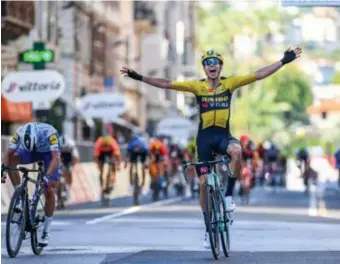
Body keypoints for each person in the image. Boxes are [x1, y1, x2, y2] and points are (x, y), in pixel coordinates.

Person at [120, 47, 302, 248]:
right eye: (207, 63)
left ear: (220, 66)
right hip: (204, 140)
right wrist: (138, 77)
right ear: (204, 69)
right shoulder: (197, 87)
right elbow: (166, 84)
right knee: (205, 183)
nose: (211, 65)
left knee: (237, 151)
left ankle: (229, 194)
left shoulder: (230, 83)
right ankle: (208, 229)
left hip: (223, 136)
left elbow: (259, 74)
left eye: (215, 62)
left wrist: (283, 61)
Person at [2, 122, 61, 247]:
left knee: (49, 188)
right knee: (11, 162)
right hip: (27, 150)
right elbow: (7, 154)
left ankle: (46, 230)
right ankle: (19, 197)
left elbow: (56, 158)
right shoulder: (19, 132)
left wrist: (46, 176)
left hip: (47, 153)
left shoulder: (50, 133)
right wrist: (4, 172)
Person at [58, 135, 80, 199]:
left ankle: (68, 188)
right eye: (62, 148)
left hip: (69, 158)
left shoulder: (71, 145)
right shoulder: (57, 146)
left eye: (65, 148)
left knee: (69, 172)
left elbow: (76, 158)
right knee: (58, 173)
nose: (63, 149)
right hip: (60, 157)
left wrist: (71, 166)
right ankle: (57, 191)